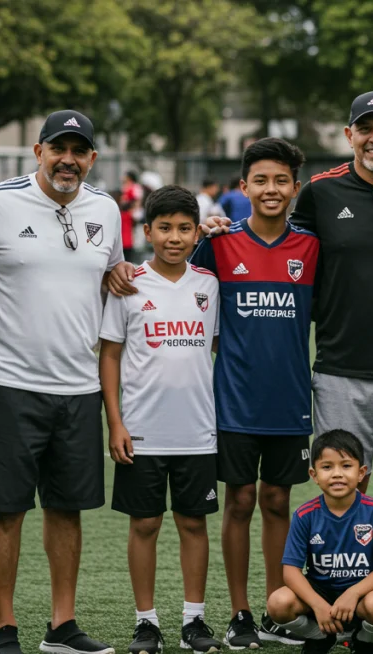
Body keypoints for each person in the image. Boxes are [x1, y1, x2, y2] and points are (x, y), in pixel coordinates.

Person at [203, 93, 373, 647]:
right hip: (339, 368)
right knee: (337, 493)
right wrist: (219, 227)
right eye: (366, 128)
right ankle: (317, 605)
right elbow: (271, 237)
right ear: (349, 134)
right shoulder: (319, 192)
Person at [0, 110, 132, 654]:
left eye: (79, 151)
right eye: (59, 148)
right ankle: (3, 629)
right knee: (5, 508)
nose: (68, 159)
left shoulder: (105, 208)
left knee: (66, 508)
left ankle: (62, 626)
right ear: (38, 151)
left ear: (92, 159)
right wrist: (1, 308)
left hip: (78, 387)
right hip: (8, 383)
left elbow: (112, 278)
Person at [189, 138, 318, 649]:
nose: (270, 189)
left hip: (289, 401)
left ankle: (276, 608)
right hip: (234, 401)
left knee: (278, 500)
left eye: (280, 180)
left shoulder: (311, 247)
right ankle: (240, 612)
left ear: (294, 188)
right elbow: (191, 303)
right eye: (260, 180)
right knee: (239, 501)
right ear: (243, 187)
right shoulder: (218, 243)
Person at [98, 185, 222, 654]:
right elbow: (109, 357)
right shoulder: (128, 285)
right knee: (145, 524)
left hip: (198, 432)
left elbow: (215, 350)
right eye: (165, 228)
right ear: (147, 231)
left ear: (196, 233)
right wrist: (115, 422)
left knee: (194, 524)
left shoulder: (208, 285)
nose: (174, 237)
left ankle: (194, 620)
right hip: (142, 432)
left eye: (184, 228)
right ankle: (145, 622)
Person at [267, 429, 373, 654]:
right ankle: (320, 636)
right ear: (314, 474)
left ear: (361, 472)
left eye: (346, 466)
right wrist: (318, 605)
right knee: (278, 603)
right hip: (318, 594)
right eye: (327, 467)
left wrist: (354, 593)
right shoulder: (304, 514)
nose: (337, 474)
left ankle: (364, 642)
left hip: (360, 595)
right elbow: (290, 571)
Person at [120, 171, 144, 262]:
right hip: (125, 215)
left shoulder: (135, 187)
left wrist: (133, 210)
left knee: (132, 236)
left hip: (130, 215)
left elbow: (137, 200)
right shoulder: (126, 187)